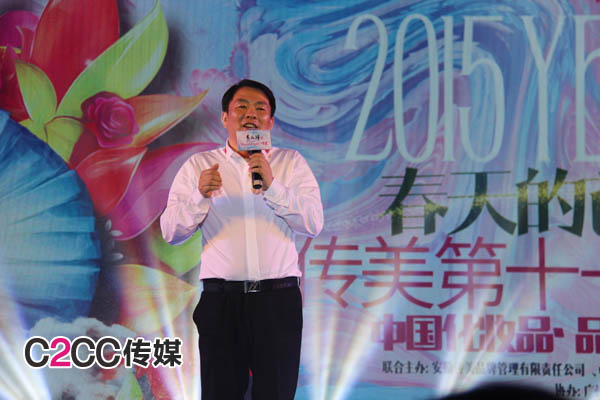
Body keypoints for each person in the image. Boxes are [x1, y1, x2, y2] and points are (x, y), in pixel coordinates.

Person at [160, 79, 324, 400]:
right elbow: (171, 233)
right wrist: (199, 195)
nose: (251, 114)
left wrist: (273, 186)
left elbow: (313, 223)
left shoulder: (290, 163)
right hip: (222, 303)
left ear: (270, 121)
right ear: (225, 117)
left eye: (260, 108)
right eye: (242, 107)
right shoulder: (199, 166)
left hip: (278, 302)